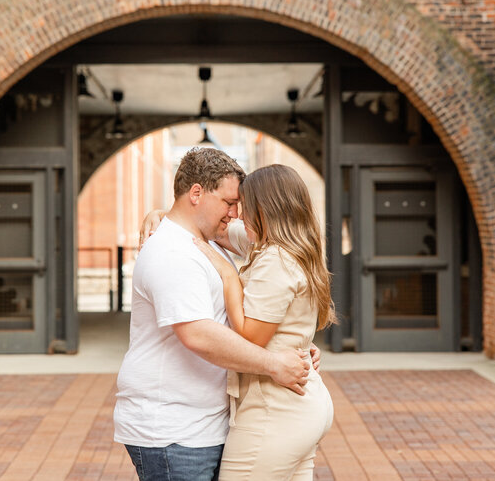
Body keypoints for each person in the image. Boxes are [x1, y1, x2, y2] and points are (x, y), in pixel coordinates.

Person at [113, 148, 315, 481]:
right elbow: (198, 334)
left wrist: (293, 343)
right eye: (228, 202)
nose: (236, 213)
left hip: (203, 425)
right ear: (196, 193)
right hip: (173, 432)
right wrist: (275, 364)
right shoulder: (173, 252)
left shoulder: (207, 240)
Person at [192, 164, 336, 479]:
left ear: (265, 210)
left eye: (245, 207)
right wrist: (161, 216)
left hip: (275, 410)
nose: (238, 216)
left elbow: (251, 337)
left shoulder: (275, 260)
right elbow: (210, 226)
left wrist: (228, 273)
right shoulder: (287, 247)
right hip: (303, 402)